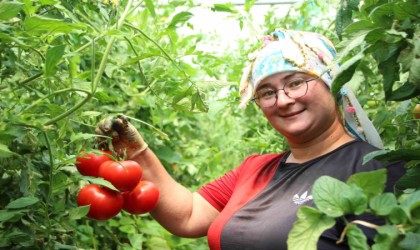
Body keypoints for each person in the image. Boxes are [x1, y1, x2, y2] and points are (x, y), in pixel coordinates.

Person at [95, 29, 405, 249]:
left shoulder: (375, 169)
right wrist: (136, 152)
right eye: (267, 92)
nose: (282, 100)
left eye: (296, 82)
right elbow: (188, 215)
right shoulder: (256, 169)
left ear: (332, 83)